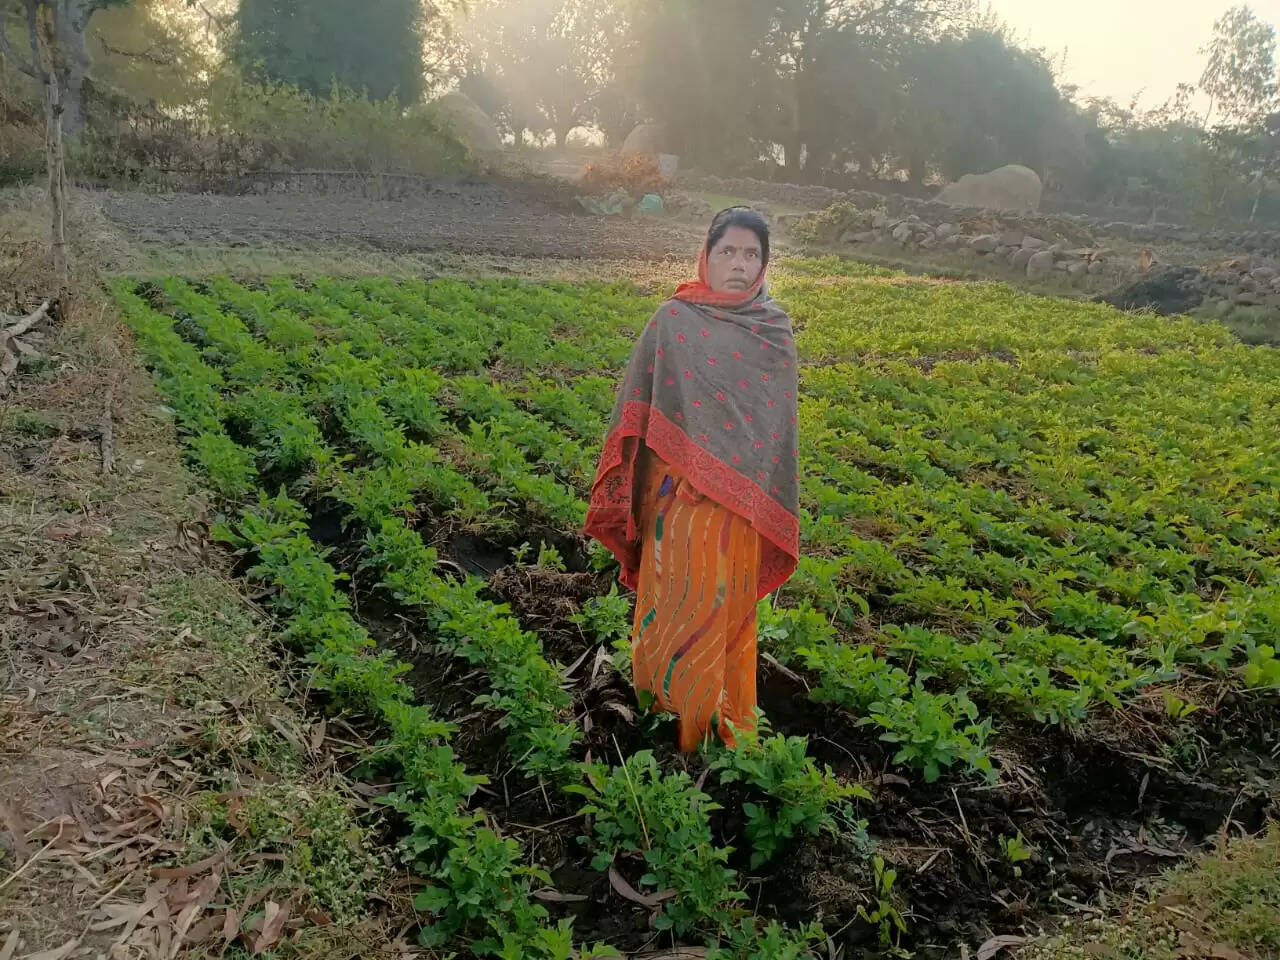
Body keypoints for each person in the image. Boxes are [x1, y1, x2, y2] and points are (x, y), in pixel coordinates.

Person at [585, 208, 800, 752]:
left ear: (765, 263)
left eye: (752, 254)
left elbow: (772, 432)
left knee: (724, 615)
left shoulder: (773, 331)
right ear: (706, 256)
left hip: (737, 517)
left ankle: (715, 729)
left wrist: (731, 481)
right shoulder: (674, 321)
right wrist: (679, 475)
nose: (739, 263)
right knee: (676, 610)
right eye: (728, 251)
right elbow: (643, 409)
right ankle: (666, 725)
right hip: (678, 505)